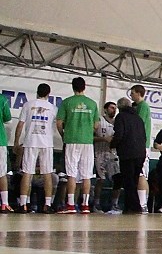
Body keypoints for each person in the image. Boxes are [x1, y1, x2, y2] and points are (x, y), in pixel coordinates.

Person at [55, 76, 100, 213]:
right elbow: (96, 125)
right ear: (84, 87)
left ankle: (70, 205)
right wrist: (87, 131)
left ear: (73, 87)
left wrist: (63, 134)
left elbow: (59, 123)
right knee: (87, 175)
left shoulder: (67, 102)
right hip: (87, 142)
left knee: (71, 174)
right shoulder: (92, 103)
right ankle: (85, 205)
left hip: (71, 140)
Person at [14, 83, 57, 214]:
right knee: (47, 173)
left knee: (27, 173)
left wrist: (16, 142)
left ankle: (23, 205)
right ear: (48, 94)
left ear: (37, 92)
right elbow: (59, 125)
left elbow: (20, 125)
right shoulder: (53, 108)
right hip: (46, 143)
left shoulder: (28, 105)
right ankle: (47, 205)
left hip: (30, 141)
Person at [110, 97, 146, 214]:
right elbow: (144, 137)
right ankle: (128, 207)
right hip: (140, 153)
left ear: (119, 107)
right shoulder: (138, 118)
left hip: (127, 153)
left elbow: (119, 134)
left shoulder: (121, 117)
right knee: (134, 180)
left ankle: (136, 207)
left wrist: (112, 144)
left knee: (128, 181)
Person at [92, 101, 121, 213]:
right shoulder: (99, 120)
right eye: (111, 108)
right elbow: (90, 137)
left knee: (117, 179)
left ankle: (114, 204)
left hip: (112, 154)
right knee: (101, 179)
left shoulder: (118, 123)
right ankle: (96, 203)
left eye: (115, 108)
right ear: (105, 109)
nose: (114, 110)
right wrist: (104, 139)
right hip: (99, 153)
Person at [130, 84, 152, 212]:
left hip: (142, 145)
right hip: (140, 145)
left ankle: (143, 205)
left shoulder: (143, 106)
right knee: (140, 175)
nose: (131, 95)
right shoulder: (138, 106)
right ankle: (143, 203)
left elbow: (138, 124)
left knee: (141, 174)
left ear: (139, 93)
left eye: (132, 93)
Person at [0, 91, 11, 212]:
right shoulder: (2, 99)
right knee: (1, 173)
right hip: (0, 141)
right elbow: (8, 119)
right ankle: (4, 203)